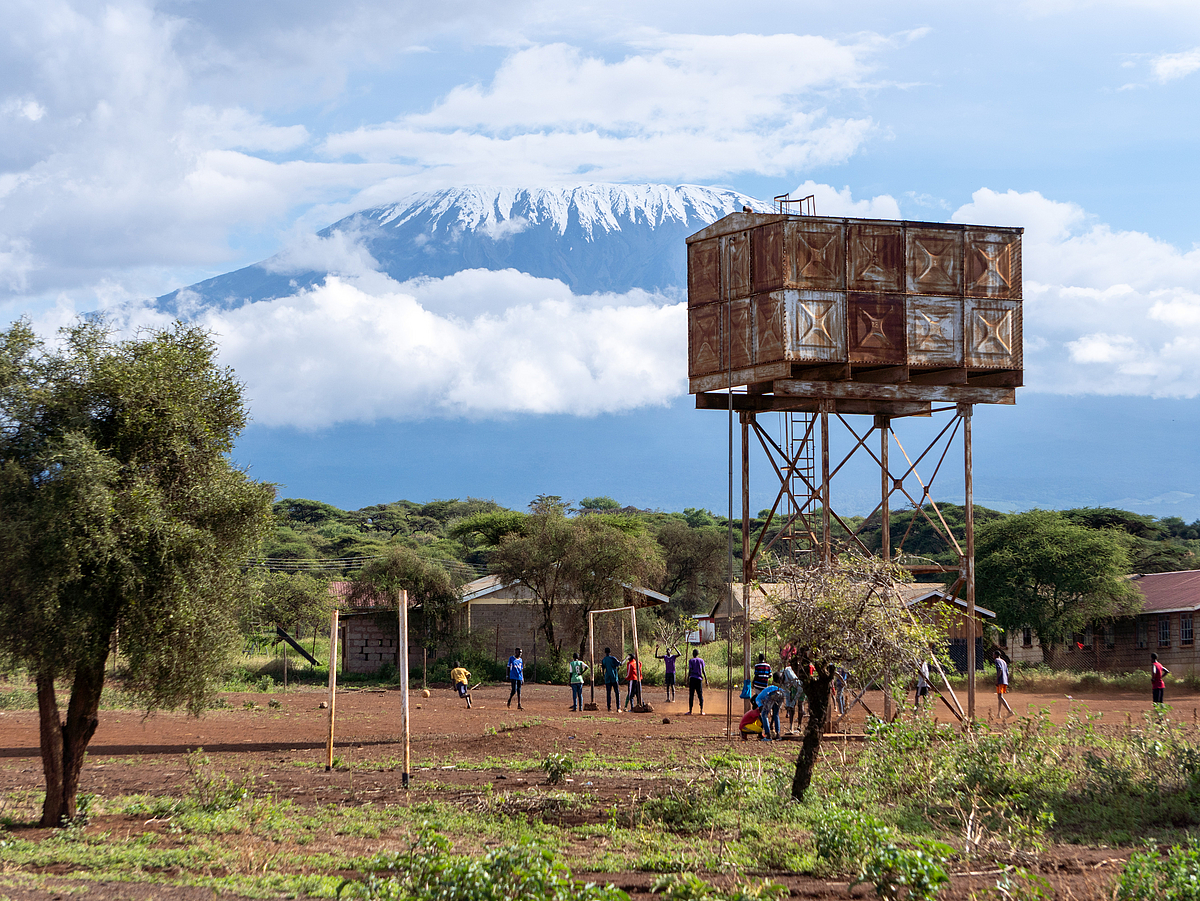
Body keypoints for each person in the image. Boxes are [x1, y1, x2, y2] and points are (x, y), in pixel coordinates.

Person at [755, 674, 784, 741]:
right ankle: (778, 735)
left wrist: (761, 706)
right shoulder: (781, 687)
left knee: (764, 714)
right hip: (781, 694)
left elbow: (757, 699)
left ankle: (768, 735)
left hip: (772, 694)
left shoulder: (762, 694)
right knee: (776, 714)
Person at [782, 659, 803, 733]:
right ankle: (791, 727)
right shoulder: (782, 678)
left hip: (801, 685)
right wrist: (788, 704)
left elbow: (800, 689)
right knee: (791, 708)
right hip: (793, 687)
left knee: (800, 704)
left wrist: (793, 701)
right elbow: (787, 692)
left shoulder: (791, 675)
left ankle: (799, 726)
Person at [600, 647, 621, 712]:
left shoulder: (604, 660)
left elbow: (603, 668)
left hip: (607, 678)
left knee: (608, 693)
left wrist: (604, 676)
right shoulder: (613, 658)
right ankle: (618, 707)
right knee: (617, 692)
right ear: (610, 652)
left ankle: (609, 708)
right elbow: (618, 664)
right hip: (614, 677)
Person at [686, 648, 707, 715]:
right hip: (699, 679)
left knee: (691, 695)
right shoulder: (701, 660)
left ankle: (690, 711)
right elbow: (703, 671)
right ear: (698, 654)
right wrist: (706, 679)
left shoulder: (691, 661)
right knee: (700, 695)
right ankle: (701, 710)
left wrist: (687, 678)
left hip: (692, 679)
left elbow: (690, 670)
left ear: (693, 654)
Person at [993, 650, 1013, 719]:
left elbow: (1000, 670)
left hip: (1001, 680)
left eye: (993, 654)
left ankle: (1010, 711)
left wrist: (997, 679)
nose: (993, 656)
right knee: (1000, 697)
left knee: (1000, 697)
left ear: (995, 655)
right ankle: (999, 714)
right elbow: (1007, 672)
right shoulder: (1003, 661)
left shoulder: (997, 661)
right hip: (1005, 680)